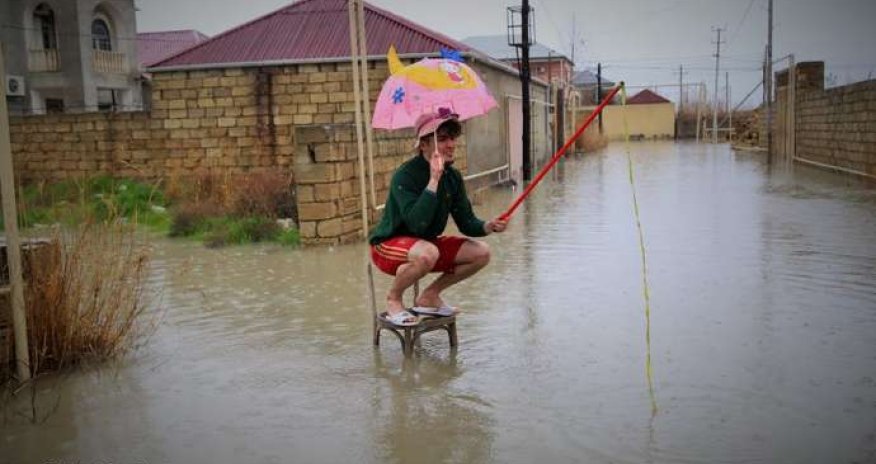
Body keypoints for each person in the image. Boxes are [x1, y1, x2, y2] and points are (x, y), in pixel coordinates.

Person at [369, 109, 508, 325]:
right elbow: (416, 224)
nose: (451, 145)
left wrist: (488, 226)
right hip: (387, 246)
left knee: (482, 253)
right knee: (428, 253)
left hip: (426, 247)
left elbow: (466, 222)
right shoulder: (404, 176)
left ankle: (429, 296)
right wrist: (433, 180)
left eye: (452, 138)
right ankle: (394, 298)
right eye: (442, 139)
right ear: (423, 145)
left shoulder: (453, 176)